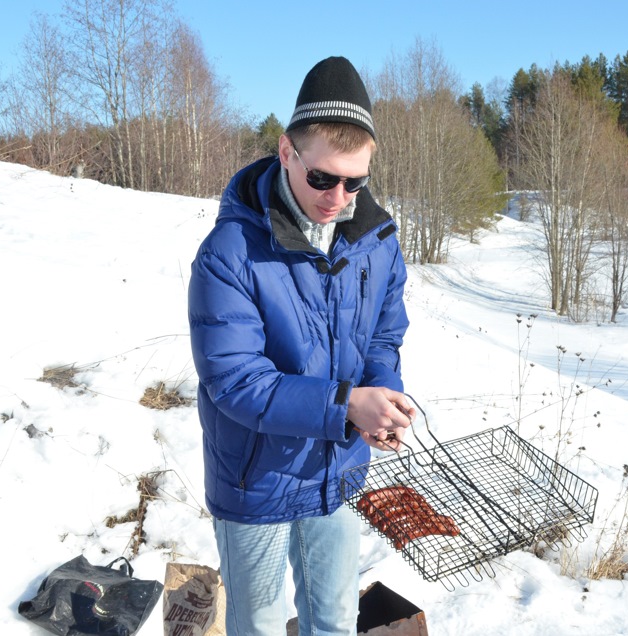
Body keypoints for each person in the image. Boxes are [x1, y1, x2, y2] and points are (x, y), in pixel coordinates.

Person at [187, 56, 414, 636]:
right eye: (323, 177)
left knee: (334, 621)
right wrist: (344, 406)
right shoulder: (229, 252)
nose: (338, 196)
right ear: (288, 152)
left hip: (334, 469)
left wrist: (383, 398)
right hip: (255, 478)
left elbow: (383, 337)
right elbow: (237, 382)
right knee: (258, 624)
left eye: (355, 181)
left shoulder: (377, 241)